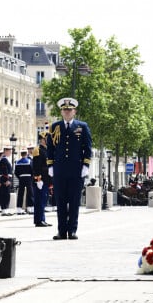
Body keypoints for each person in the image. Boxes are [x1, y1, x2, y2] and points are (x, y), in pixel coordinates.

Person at [46, 97, 92, 240]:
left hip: (76, 170)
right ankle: (61, 231)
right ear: (61, 112)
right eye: (65, 110)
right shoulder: (54, 127)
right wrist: (50, 165)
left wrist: (85, 165)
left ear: (74, 111)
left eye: (69, 110)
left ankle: (72, 230)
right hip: (59, 170)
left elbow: (87, 147)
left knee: (73, 201)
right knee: (60, 201)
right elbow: (50, 148)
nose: (67, 112)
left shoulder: (82, 126)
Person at [32, 132, 52, 227]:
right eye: (47, 138)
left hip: (46, 179)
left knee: (43, 200)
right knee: (39, 200)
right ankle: (38, 220)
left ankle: (42, 219)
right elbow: (36, 166)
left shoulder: (46, 150)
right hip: (40, 179)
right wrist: (38, 179)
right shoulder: (38, 150)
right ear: (42, 139)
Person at [0, 146, 14, 216]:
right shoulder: (4, 159)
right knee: (5, 195)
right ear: (5, 151)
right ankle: (4, 210)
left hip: (6, 179)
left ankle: (5, 209)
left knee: (6, 195)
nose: (10, 152)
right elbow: (5, 171)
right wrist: (8, 180)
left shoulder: (6, 159)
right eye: (9, 151)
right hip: (5, 180)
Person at [15, 150, 34, 215]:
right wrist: (31, 178)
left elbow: (16, 172)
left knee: (20, 194)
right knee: (30, 193)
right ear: (26, 154)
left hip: (21, 178)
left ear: (21, 154)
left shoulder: (17, 162)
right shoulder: (29, 161)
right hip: (28, 178)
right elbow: (32, 170)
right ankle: (30, 208)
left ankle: (19, 209)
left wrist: (20, 177)